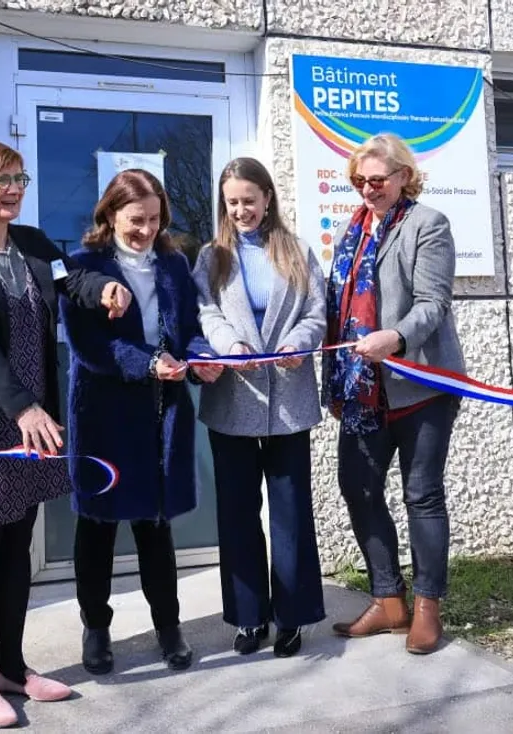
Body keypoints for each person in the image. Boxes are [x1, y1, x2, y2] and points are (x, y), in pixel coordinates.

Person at [0, 140, 132, 727]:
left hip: (27, 425)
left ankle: (13, 667)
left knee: (18, 548)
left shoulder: (33, 244)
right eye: (0, 180)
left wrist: (104, 291)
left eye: (19, 177)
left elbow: (74, 281)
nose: (13, 188)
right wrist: (23, 408)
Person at [60, 169, 223, 675]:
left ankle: (168, 626)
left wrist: (202, 357)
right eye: (135, 219)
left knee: (155, 528)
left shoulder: (174, 264)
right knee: (98, 529)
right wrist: (147, 363)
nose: (146, 230)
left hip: (162, 413)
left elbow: (190, 331)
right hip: (104, 416)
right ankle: (96, 626)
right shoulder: (80, 267)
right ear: (109, 214)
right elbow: (89, 346)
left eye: (154, 219)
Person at [323, 132, 465, 655]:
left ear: (404, 175)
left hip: (420, 385)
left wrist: (396, 338)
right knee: (358, 489)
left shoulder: (428, 224)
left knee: (421, 495)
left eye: (377, 180)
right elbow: (338, 308)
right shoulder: (351, 230)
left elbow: (433, 303)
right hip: (363, 391)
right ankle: (389, 600)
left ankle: (428, 605)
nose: (367, 189)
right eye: (359, 180)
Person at [191, 157, 327, 657]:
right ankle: (249, 618)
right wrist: (229, 346)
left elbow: (318, 312)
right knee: (238, 514)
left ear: (267, 198)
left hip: (290, 402)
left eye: (250, 199)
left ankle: (291, 616)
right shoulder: (211, 256)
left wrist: (297, 342)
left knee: (291, 512)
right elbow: (203, 310)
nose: (242, 210)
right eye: (233, 202)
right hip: (234, 401)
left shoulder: (296, 251)